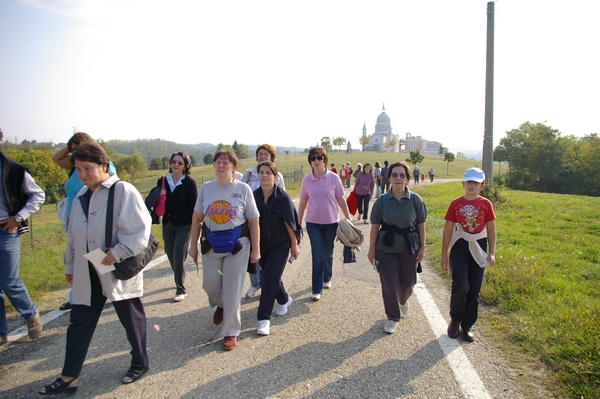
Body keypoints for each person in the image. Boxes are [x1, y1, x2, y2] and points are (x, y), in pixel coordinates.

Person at [39, 142, 152, 394]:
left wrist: (117, 252)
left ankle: (140, 361)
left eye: (87, 168)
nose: (82, 174)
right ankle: (69, 377)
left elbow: (140, 231)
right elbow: (73, 235)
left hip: (113, 267)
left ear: (104, 166)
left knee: (130, 319)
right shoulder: (81, 196)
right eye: (78, 169)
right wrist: (70, 264)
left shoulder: (123, 191)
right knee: (79, 323)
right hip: (87, 269)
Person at [189, 149, 260, 351]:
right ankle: (221, 304)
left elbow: (254, 221)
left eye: (225, 163)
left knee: (232, 287)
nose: (221, 166)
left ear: (234, 167)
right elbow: (196, 218)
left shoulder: (243, 189)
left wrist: (256, 249)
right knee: (210, 285)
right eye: (218, 162)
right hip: (211, 243)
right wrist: (192, 246)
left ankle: (230, 331)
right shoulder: (206, 189)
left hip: (238, 245)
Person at [52, 132, 117, 311]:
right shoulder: (76, 166)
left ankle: (110, 292)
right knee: (79, 257)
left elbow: (111, 186)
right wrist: (72, 146)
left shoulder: (103, 165)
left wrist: (84, 146)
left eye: (78, 149)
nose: (73, 155)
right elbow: (56, 158)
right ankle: (77, 296)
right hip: (75, 216)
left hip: (94, 217)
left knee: (96, 255)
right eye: (72, 152)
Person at [367, 162, 427, 334]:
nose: (398, 178)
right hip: (385, 247)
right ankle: (393, 317)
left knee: (408, 283)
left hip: (409, 247)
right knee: (389, 283)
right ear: (389, 178)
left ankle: (403, 301)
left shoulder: (416, 200)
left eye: (402, 175)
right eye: (395, 175)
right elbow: (374, 227)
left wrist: (422, 246)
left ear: (407, 179)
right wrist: (372, 250)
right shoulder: (382, 201)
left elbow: (421, 225)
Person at [0, 129, 45, 346]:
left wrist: (17, 218)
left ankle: (30, 314)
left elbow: (38, 195)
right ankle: (1, 331)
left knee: (9, 281)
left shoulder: (14, 170)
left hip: (6, 231)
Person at [440, 168, 496, 342]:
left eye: (476, 183)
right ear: (463, 184)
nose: (471, 186)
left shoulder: (486, 204)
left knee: (474, 289)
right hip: (460, 246)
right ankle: (455, 320)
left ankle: (467, 326)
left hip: (479, 245)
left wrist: (492, 253)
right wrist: (444, 254)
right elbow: (448, 229)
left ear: (482, 186)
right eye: (469, 182)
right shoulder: (455, 203)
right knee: (461, 285)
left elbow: (492, 230)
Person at [253, 161, 301, 335]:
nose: (264, 175)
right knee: (269, 277)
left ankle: (263, 318)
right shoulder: (254, 196)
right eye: (261, 172)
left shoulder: (282, 198)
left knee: (268, 280)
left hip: (280, 245)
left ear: (275, 176)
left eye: (268, 172)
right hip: (262, 245)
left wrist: (294, 245)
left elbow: (289, 222)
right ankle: (284, 298)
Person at [298, 148, 352, 301]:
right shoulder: (307, 180)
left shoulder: (334, 178)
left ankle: (327, 277)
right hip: (313, 224)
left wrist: (348, 218)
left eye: (320, 157)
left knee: (327, 253)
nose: (316, 160)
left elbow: (341, 199)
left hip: (331, 223)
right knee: (317, 255)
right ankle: (317, 288)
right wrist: (297, 223)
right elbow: (302, 203)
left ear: (325, 160)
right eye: (313, 158)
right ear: (310, 161)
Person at [242, 144, 285, 299]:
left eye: (266, 154)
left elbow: (282, 198)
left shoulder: (277, 175)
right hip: (249, 221)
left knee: (268, 258)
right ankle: (255, 283)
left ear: (272, 157)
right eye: (260, 154)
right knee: (251, 254)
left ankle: (271, 284)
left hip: (269, 223)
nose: (262, 157)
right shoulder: (247, 174)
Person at [159, 152, 197, 302]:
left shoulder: (189, 183)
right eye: (173, 162)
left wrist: (196, 226)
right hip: (168, 223)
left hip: (185, 225)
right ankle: (179, 275)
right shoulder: (162, 181)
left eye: (180, 163)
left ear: (185, 166)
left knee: (178, 254)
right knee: (169, 252)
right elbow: (156, 201)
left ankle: (180, 288)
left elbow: (195, 207)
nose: (176, 165)